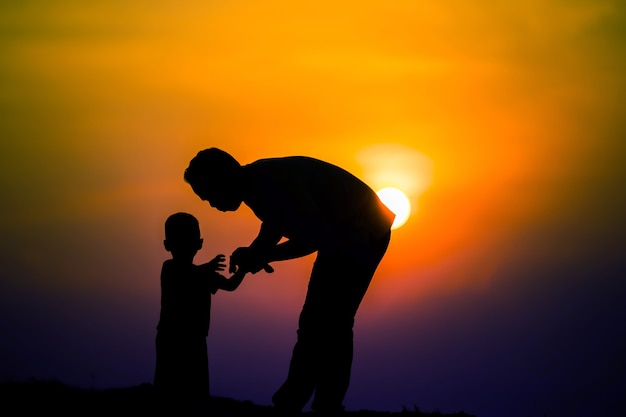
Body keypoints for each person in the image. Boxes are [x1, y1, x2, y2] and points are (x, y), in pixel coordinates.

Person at [183, 148, 395, 414]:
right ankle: (309, 400)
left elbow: (315, 237)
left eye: (210, 195)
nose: (212, 204)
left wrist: (264, 255)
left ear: (222, 179)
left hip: (361, 229)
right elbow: (275, 224)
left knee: (330, 322)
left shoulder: (267, 183)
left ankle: (306, 402)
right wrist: (255, 253)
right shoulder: (256, 184)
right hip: (349, 229)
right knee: (323, 322)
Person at [153, 211, 247, 404]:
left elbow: (230, 285)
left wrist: (244, 268)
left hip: (195, 338)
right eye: (181, 239)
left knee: (195, 390)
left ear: (199, 243)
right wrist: (208, 268)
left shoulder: (202, 273)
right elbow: (185, 277)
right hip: (172, 337)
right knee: (168, 388)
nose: (185, 244)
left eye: (187, 238)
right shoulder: (169, 268)